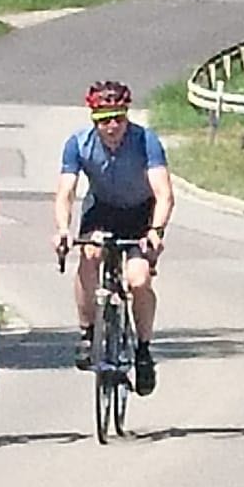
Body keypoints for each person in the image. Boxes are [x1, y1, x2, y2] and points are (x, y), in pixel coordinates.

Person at [52, 80, 174, 395]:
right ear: (94, 119)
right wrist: (63, 229)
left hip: (139, 213)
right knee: (90, 255)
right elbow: (66, 192)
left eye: (119, 118)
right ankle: (87, 331)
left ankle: (144, 351)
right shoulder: (78, 144)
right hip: (102, 209)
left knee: (139, 280)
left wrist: (156, 231)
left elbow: (163, 193)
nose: (112, 126)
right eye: (105, 119)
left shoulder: (145, 141)